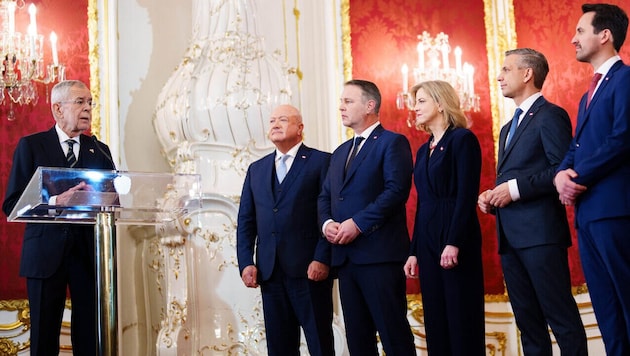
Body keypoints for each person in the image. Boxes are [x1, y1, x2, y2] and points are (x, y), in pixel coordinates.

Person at [478, 48, 587, 355]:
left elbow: (562, 169)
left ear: (527, 74)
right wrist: (492, 195)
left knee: (561, 318)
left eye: (506, 69)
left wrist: (513, 190)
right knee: (528, 324)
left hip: (541, 236)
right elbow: (513, 176)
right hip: (509, 238)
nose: (499, 76)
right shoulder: (506, 128)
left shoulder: (550, 115)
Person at [2, 80, 116, 355]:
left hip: (88, 256)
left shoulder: (99, 150)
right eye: (80, 102)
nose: (88, 108)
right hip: (45, 254)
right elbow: (12, 204)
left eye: (90, 102)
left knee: (89, 337)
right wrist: (55, 201)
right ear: (57, 108)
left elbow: (113, 199)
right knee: (44, 336)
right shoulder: (32, 146)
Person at [318, 79, 416, 355]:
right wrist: (327, 224)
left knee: (393, 334)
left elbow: (396, 191)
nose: (341, 107)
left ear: (370, 105)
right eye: (341, 101)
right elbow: (325, 196)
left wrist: (358, 223)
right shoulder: (339, 152)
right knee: (358, 339)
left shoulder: (392, 142)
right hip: (346, 259)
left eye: (348, 101)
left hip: (379, 256)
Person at [555, 3, 630, 354]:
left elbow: (623, 138)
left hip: (616, 211)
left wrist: (577, 177)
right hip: (587, 215)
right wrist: (560, 176)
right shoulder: (589, 94)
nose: (573, 39)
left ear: (605, 35)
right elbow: (576, 146)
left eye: (581, 31)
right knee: (606, 309)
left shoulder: (626, 79)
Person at [236, 104, 334, 356]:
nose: (275, 125)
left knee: (320, 344)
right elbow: (246, 221)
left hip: (310, 270)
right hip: (269, 273)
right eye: (271, 121)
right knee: (279, 347)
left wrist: (322, 257)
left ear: (300, 128)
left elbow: (331, 214)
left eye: (283, 120)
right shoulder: (256, 170)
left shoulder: (322, 161)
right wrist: (246, 262)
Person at [402, 80, 485, 355]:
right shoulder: (423, 149)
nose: (415, 107)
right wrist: (414, 251)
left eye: (422, 101)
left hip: (455, 238)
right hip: (427, 241)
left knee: (461, 319)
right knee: (436, 319)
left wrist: (453, 241)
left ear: (440, 103)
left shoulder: (462, 139)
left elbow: (466, 196)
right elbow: (422, 203)